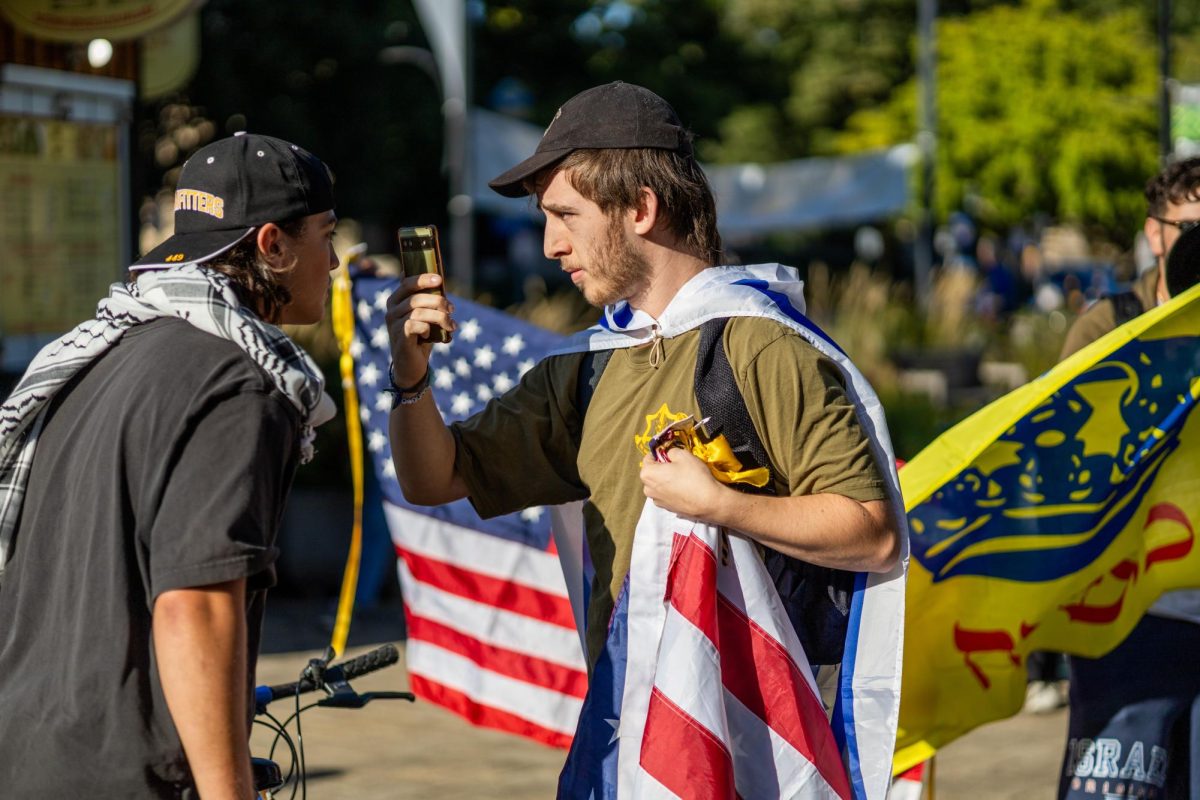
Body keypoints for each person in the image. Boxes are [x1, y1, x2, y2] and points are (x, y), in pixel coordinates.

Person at [385, 82, 904, 785]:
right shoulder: (587, 368)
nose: (550, 244)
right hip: (624, 739)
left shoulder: (761, 346)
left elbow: (871, 531)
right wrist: (411, 376)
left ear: (640, 208)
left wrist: (721, 504)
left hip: (753, 751)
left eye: (565, 214)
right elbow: (433, 477)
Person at [0, 132, 338, 798]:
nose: (335, 260)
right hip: (124, 772)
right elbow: (196, 605)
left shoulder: (100, 357)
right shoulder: (241, 384)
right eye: (326, 235)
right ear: (272, 245)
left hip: (27, 752)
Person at [1056, 159, 1200, 799]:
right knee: (1119, 784)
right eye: (1190, 224)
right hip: (1131, 608)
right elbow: (1059, 451)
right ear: (1156, 232)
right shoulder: (1109, 325)